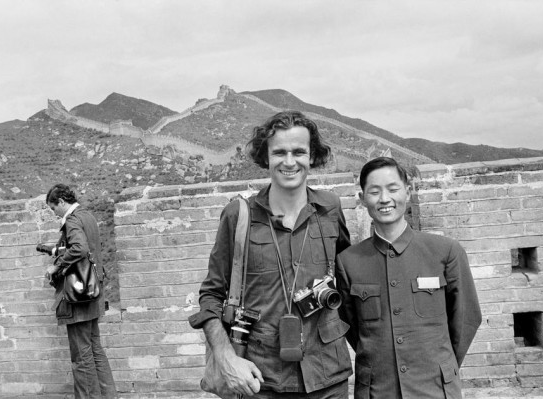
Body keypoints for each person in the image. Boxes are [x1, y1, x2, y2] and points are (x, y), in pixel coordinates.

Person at [188, 111, 353, 398]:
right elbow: (211, 295)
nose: (290, 162)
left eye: (299, 151)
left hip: (327, 379)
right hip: (261, 380)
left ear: (312, 156)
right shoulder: (239, 216)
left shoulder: (330, 210)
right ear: (266, 157)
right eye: (280, 152)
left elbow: (350, 282)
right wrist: (226, 359)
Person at [335, 157, 482, 399]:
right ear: (362, 199)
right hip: (378, 389)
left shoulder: (445, 252)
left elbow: (466, 319)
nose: (384, 199)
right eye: (374, 191)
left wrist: (441, 366)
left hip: (435, 388)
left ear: (408, 191)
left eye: (393, 189)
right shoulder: (349, 261)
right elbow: (351, 327)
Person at [44, 184, 117, 398]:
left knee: (81, 355)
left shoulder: (73, 219)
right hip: (93, 290)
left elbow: (80, 248)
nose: (53, 213)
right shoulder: (88, 216)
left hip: (78, 295)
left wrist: (56, 266)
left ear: (62, 202)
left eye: (53, 208)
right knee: (95, 349)